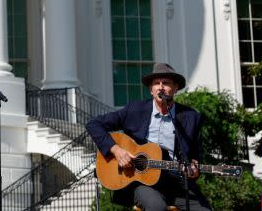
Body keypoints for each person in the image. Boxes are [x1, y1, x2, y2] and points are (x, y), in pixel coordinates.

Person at [86, 63, 212, 211]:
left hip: (176, 182)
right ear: (151, 90)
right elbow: (94, 125)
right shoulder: (134, 110)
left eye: (165, 83)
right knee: (156, 207)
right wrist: (117, 151)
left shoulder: (191, 117)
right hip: (141, 182)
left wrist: (194, 170)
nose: (160, 87)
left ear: (175, 88)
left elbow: (196, 156)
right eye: (156, 83)